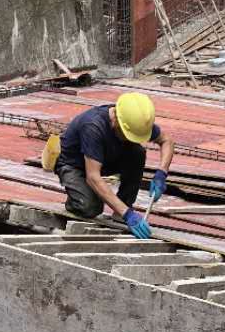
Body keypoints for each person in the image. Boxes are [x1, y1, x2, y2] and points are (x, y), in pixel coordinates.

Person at [54, 92, 176, 239]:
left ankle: (123, 206)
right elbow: (93, 177)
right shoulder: (93, 126)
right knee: (90, 207)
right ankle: (77, 199)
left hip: (103, 158)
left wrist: (161, 173)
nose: (131, 139)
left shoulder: (133, 121)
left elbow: (167, 141)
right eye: (128, 135)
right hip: (74, 166)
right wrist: (128, 215)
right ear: (115, 121)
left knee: (137, 153)